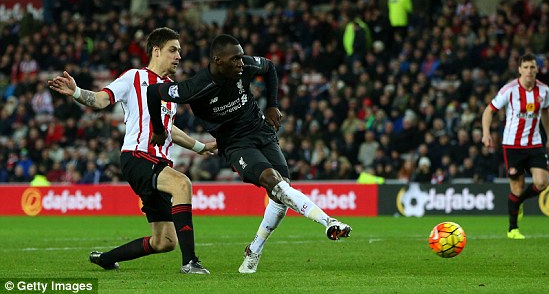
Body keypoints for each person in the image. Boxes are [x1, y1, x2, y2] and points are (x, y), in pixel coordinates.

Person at [146, 34, 352, 274]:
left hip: (262, 132)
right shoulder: (194, 87)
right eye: (235, 59)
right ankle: (329, 221)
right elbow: (153, 93)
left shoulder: (245, 67)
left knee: (281, 192)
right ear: (217, 60)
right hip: (235, 144)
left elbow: (270, 67)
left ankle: (254, 250)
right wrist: (159, 131)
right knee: (274, 182)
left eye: (242, 57)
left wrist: (273, 105)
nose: (241, 64)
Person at [48, 27, 216, 274]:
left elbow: (169, 129)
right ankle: (190, 262)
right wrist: (76, 92)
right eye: (173, 50)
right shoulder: (134, 77)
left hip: (159, 163)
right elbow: (101, 100)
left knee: (165, 242)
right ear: (156, 51)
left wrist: (200, 147)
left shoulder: (169, 88)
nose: (178, 56)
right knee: (183, 185)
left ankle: (106, 258)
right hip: (137, 157)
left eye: (180, 51)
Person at [481, 52, 549, 240]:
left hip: (535, 143)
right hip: (512, 146)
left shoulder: (544, 91)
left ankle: (517, 202)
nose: (529, 71)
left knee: (542, 182)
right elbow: (489, 111)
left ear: (537, 69)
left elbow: (546, 113)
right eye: (526, 67)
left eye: (532, 67)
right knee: (517, 187)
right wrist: (486, 133)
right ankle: (512, 229)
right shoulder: (510, 90)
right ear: (519, 69)